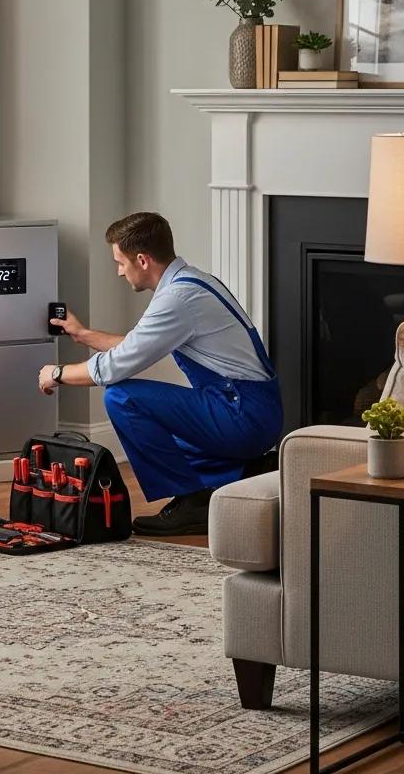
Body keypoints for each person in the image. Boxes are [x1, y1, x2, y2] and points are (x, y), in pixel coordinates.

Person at [37, 212, 282, 536]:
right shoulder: (192, 282)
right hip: (249, 411)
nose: (119, 271)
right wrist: (83, 335)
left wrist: (57, 373)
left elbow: (116, 366)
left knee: (122, 397)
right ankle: (246, 470)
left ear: (142, 260)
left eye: (120, 262)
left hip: (242, 414)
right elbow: (139, 344)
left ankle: (191, 503)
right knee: (161, 437)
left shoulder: (177, 299)